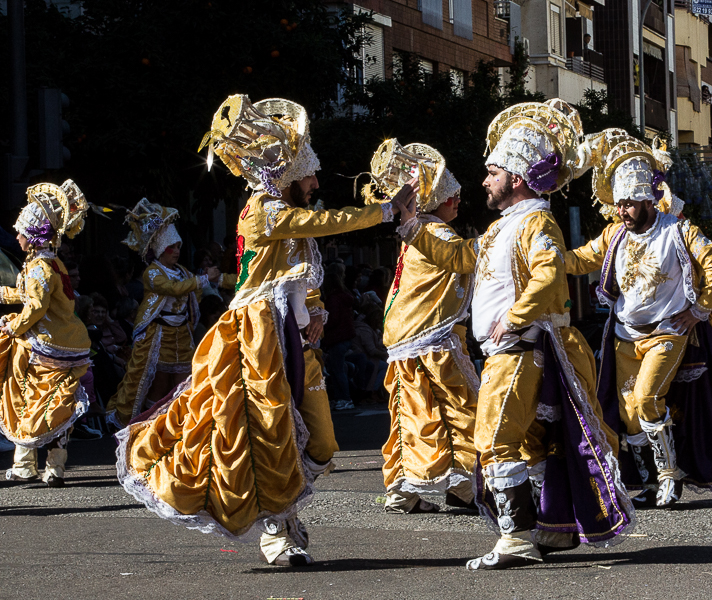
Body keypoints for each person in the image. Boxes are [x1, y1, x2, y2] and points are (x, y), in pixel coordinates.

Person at [116, 95, 407, 567]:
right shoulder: (264, 210)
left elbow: (300, 277)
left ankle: (283, 511)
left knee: (321, 442)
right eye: (309, 174)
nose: (315, 183)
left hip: (292, 338)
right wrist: (383, 211)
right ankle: (280, 527)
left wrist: (317, 312)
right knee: (268, 434)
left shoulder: (291, 220)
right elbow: (320, 223)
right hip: (255, 337)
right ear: (289, 175)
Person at [393, 99, 634, 570]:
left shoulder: (536, 222)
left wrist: (516, 316)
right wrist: (411, 225)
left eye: (492, 172)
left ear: (517, 179)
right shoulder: (504, 227)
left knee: (494, 438)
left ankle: (516, 538)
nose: (484, 181)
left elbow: (548, 275)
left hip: (519, 349)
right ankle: (550, 529)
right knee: (528, 442)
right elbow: (463, 256)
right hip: (509, 350)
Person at [564, 129, 712, 508]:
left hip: (668, 331)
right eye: (619, 204)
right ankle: (648, 481)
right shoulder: (615, 235)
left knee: (649, 398)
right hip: (624, 334)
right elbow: (579, 258)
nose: (622, 211)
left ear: (649, 200)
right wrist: (542, 255)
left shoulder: (680, 230)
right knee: (630, 411)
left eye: (630, 204)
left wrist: (697, 310)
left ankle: (671, 475)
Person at [369, 139, 479, 514]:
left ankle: (401, 489)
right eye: (451, 195)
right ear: (437, 200)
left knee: (408, 412)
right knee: (457, 406)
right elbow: (466, 261)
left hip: (404, 332)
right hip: (432, 335)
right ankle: (464, 485)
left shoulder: (418, 231)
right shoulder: (438, 233)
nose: (458, 199)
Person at [106, 200, 230, 428]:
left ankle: (178, 425)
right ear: (161, 250)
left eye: (179, 247)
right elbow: (173, 289)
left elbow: (197, 287)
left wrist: (234, 279)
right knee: (158, 384)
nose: (177, 252)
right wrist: (203, 279)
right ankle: (152, 427)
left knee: (183, 383)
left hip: (182, 335)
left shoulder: (182, 271)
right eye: (172, 247)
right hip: (159, 336)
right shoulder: (152, 273)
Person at [0, 180, 92, 486]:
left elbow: (36, 307)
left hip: (45, 346)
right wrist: (7, 294)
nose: (17, 237)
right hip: (69, 343)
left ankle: (25, 465)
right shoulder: (53, 264)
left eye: (21, 233)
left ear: (34, 235)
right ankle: (55, 468)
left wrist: (13, 326)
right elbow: (37, 297)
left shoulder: (40, 267)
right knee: (59, 405)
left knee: (25, 398)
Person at [321, 262, 358, 411]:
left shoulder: (333, 299)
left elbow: (333, 319)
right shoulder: (345, 297)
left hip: (336, 337)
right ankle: (341, 398)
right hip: (345, 336)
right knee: (338, 368)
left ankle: (344, 398)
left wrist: (323, 324)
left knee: (338, 370)